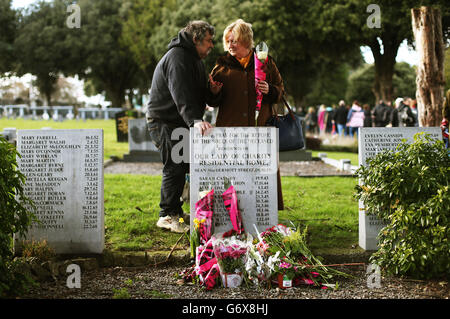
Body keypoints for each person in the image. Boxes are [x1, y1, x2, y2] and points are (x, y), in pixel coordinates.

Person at [146, 20, 222, 233]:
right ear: (196, 39)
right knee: (174, 166)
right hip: (164, 121)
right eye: (208, 41)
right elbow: (181, 93)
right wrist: (195, 121)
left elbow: (200, 94)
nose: (211, 46)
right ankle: (166, 215)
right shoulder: (177, 58)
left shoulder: (195, 60)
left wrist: (213, 93)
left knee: (183, 165)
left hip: (178, 122)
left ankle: (176, 212)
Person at [209, 18, 285, 210]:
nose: (230, 45)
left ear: (246, 40)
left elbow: (281, 91)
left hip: (260, 128)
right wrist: (214, 92)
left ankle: (262, 215)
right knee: (233, 176)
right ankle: (231, 215)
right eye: (228, 41)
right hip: (231, 130)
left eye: (234, 40)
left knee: (260, 176)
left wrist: (270, 90)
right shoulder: (221, 66)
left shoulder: (265, 62)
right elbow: (211, 101)